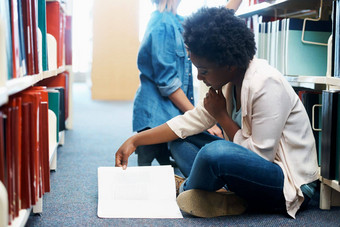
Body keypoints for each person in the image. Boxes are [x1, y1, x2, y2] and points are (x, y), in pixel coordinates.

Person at [116, 6, 319, 219]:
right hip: (245, 169)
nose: (198, 78)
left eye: (203, 71)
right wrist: (136, 140)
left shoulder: (266, 84)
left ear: (229, 65)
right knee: (180, 139)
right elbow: (188, 122)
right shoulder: (227, 80)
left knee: (215, 153)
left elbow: (260, 157)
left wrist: (221, 116)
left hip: (287, 182)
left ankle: (187, 188)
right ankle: (220, 194)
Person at [133, 0, 222, 166]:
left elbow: (216, 22)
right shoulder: (163, 24)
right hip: (155, 116)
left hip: (169, 114)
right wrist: (201, 121)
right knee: (150, 175)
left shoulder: (177, 20)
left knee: (167, 174)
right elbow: (168, 83)